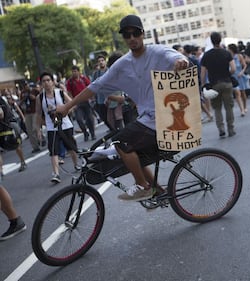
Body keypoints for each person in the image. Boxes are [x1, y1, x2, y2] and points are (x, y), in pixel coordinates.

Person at [57, 15, 189, 201]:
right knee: (132, 155)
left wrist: (180, 63)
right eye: (127, 35)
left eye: (135, 33)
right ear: (124, 38)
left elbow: (176, 57)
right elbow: (95, 87)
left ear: (142, 33)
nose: (132, 38)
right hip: (146, 120)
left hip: (163, 119)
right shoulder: (122, 65)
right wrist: (68, 105)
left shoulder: (157, 52)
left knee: (121, 144)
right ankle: (158, 191)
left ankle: (143, 186)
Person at [36, 72, 80, 183]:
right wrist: (39, 129)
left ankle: (76, 164)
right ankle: (56, 173)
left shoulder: (60, 93)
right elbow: (38, 114)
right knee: (53, 150)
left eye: (48, 80)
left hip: (65, 124)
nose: (46, 83)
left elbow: (73, 104)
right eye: (43, 81)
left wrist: (65, 111)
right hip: (52, 127)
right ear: (41, 84)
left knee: (70, 147)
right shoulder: (40, 97)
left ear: (52, 82)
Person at [200, 32, 236, 138]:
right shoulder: (226, 53)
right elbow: (233, 68)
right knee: (229, 107)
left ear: (211, 41)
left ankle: (221, 129)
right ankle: (231, 129)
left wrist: (203, 84)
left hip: (214, 84)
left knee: (217, 109)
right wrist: (228, 74)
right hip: (227, 83)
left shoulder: (206, 55)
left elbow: (203, 73)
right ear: (220, 40)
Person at [66, 65, 96, 141]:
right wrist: (72, 102)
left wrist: (91, 97)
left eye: (75, 71)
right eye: (72, 71)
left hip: (86, 101)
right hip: (77, 102)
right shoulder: (70, 82)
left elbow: (90, 87)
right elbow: (69, 93)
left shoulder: (83, 79)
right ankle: (85, 132)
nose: (74, 73)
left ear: (79, 72)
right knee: (79, 119)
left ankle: (92, 133)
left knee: (89, 118)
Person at [0, 96, 27, 172]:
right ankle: (1, 171)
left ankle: (22, 161)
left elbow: (1, 114)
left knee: (15, 143)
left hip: (8, 124)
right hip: (3, 125)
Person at [20, 82, 44, 153]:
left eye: (26, 85)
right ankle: (35, 146)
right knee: (29, 130)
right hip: (27, 113)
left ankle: (41, 138)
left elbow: (40, 97)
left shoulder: (34, 91)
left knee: (34, 128)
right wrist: (23, 100)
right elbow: (20, 103)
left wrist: (33, 97)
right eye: (24, 86)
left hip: (35, 111)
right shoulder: (23, 93)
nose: (25, 87)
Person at [227, 43, 248, 116]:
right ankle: (241, 109)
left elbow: (244, 65)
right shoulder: (228, 57)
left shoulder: (239, 56)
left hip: (239, 75)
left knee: (243, 93)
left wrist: (242, 72)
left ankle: (245, 106)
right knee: (237, 93)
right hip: (232, 77)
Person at [92, 54, 110, 130]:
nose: (101, 62)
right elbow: (93, 85)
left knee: (113, 117)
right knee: (104, 117)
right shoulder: (96, 74)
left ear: (105, 61)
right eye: (99, 61)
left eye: (102, 60)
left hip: (111, 99)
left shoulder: (110, 70)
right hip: (100, 100)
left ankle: (115, 131)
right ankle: (112, 130)